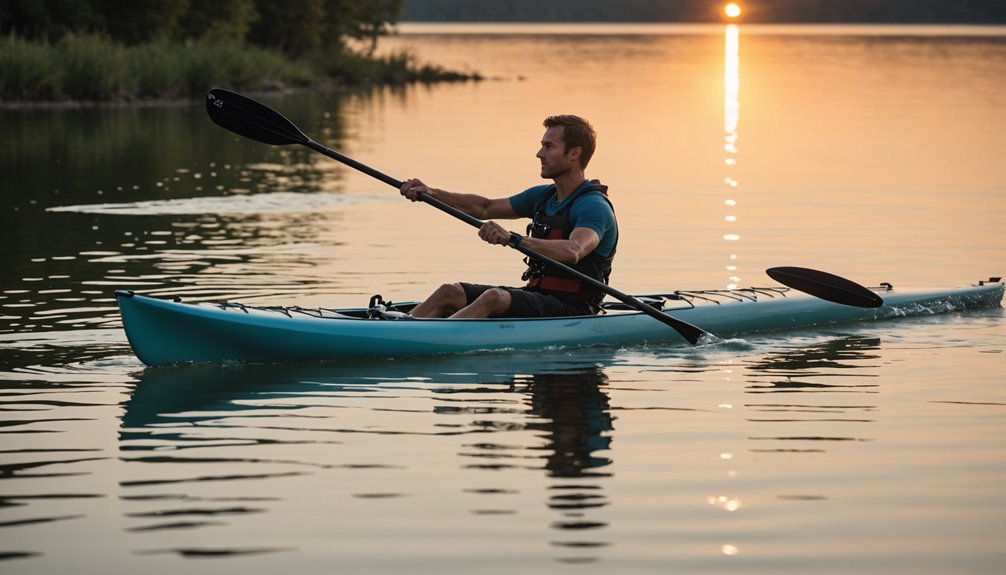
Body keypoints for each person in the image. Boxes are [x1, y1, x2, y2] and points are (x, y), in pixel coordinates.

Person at [399, 115, 618, 319]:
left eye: (549, 146)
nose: (539, 154)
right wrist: (432, 193)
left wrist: (513, 239)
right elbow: (485, 207)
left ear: (574, 153)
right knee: (449, 292)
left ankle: (426, 339)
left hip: (576, 310)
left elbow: (573, 250)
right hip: (538, 297)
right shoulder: (542, 196)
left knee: (495, 297)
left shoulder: (593, 206)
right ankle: (402, 329)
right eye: (542, 145)